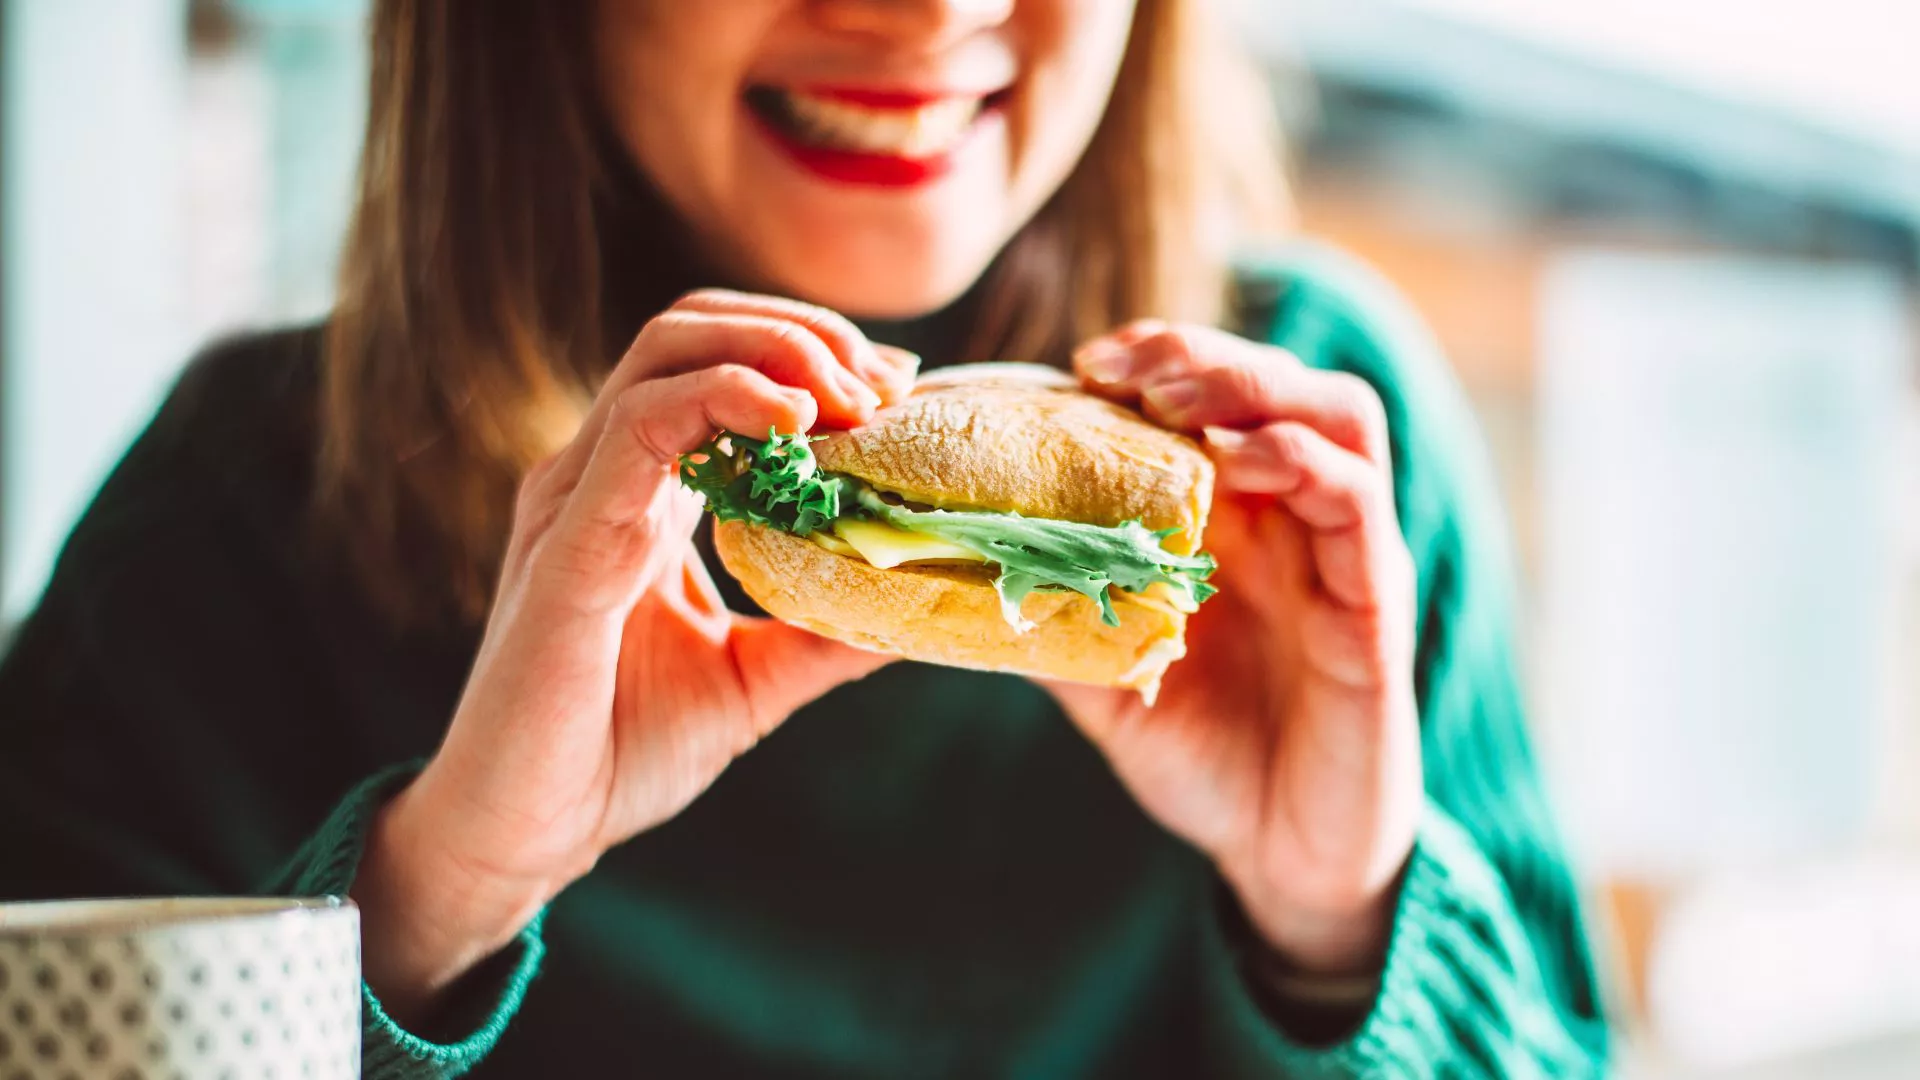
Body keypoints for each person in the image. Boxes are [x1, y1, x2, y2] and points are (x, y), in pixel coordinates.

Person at [0, 1, 1610, 1075]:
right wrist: (440, 888)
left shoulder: (1313, 467)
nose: (925, 12)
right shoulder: (244, 506)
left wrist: (1337, 924)